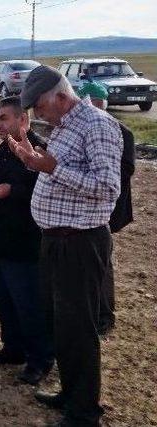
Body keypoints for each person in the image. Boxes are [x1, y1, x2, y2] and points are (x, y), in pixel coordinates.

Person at [12, 65, 122, 426]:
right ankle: (69, 391)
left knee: (78, 327)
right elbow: (57, 170)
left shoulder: (97, 125)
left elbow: (107, 188)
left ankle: (84, 410)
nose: (37, 115)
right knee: (59, 322)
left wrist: (50, 168)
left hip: (80, 242)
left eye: (39, 108)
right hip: (56, 240)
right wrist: (32, 161)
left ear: (60, 97)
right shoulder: (63, 125)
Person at [0, 96, 53, 385]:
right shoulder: (5, 148)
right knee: (4, 300)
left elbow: (45, 188)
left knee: (28, 303)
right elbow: (0, 181)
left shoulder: (39, 148)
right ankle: (13, 348)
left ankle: (40, 359)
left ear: (23, 119)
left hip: (23, 241)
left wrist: (13, 190)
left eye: (4, 118)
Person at [77, 81, 136, 335]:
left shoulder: (120, 131)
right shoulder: (77, 129)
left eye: (96, 103)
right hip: (82, 209)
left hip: (106, 208)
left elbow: (121, 173)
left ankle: (104, 314)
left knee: (103, 262)